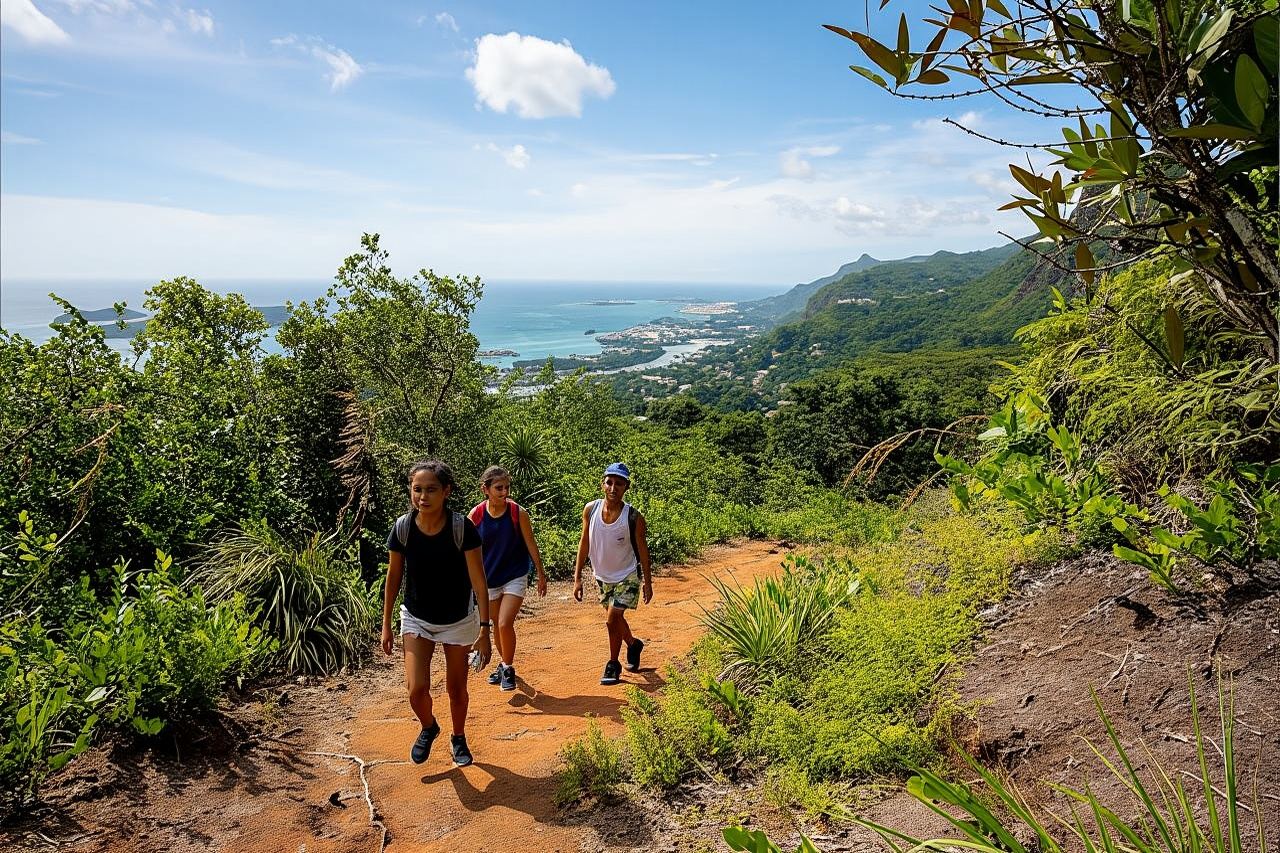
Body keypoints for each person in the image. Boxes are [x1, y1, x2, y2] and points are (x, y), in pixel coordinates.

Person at [381, 460, 492, 768]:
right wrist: (386, 624)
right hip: (417, 617)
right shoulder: (403, 529)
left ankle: (458, 737)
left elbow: (479, 583)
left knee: (457, 689)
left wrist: (485, 631)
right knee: (416, 689)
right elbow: (393, 578)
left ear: (446, 492)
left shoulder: (461, 528)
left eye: (431, 490)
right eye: (417, 489)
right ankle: (429, 726)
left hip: (458, 620)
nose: (423, 497)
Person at [469, 465, 548, 692]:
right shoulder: (475, 516)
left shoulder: (517, 513)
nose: (504, 492)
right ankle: (503, 665)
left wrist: (541, 574)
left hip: (515, 574)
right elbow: (465, 549)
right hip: (489, 579)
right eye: (499, 488)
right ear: (486, 489)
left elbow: (531, 544)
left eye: (507, 487)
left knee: (505, 623)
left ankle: (508, 668)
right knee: (496, 626)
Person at [573, 462, 653, 685]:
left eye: (619, 483)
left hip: (627, 576)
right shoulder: (591, 510)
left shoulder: (634, 518)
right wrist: (578, 577)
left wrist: (647, 581)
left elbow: (644, 552)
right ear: (602, 484)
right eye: (609, 482)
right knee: (616, 619)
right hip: (602, 577)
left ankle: (613, 664)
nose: (613, 488)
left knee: (611, 619)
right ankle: (633, 644)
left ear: (626, 487)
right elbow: (584, 543)